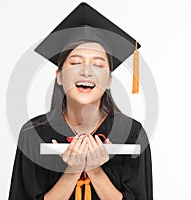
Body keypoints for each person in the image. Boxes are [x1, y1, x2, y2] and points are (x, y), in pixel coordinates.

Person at [9, 2, 153, 200]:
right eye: (76, 63)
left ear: (109, 80)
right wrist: (73, 170)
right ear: (59, 75)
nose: (86, 71)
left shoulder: (131, 135)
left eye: (98, 65)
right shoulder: (34, 133)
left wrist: (95, 170)